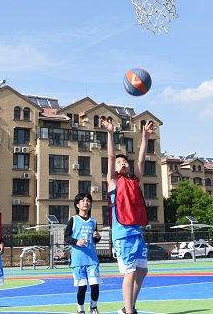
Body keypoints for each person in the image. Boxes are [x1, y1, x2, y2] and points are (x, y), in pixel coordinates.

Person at [103, 117, 154, 314]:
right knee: (130, 272)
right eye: (119, 162)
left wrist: (145, 138)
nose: (123, 163)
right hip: (122, 233)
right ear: (115, 168)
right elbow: (110, 156)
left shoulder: (134, 180)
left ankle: (127, 308)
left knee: (142, 270)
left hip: (136, 232)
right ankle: (130, 312)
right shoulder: (113, 182)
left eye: (125, 161)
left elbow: (141, 161)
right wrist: (110, 133)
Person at [64, 192, 102, 314]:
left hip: (92, 259)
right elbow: (66, 237)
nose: (86, 203)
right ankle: (80, 309)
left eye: (88, 201)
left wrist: (97, 237)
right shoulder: (73, 220)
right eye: (83, 201)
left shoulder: (93, 221)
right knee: (82, 287)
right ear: (77, 205)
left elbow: (95, 239)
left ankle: (93, 307)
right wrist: (76, 241)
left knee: (95, 284)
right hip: (78, 259)